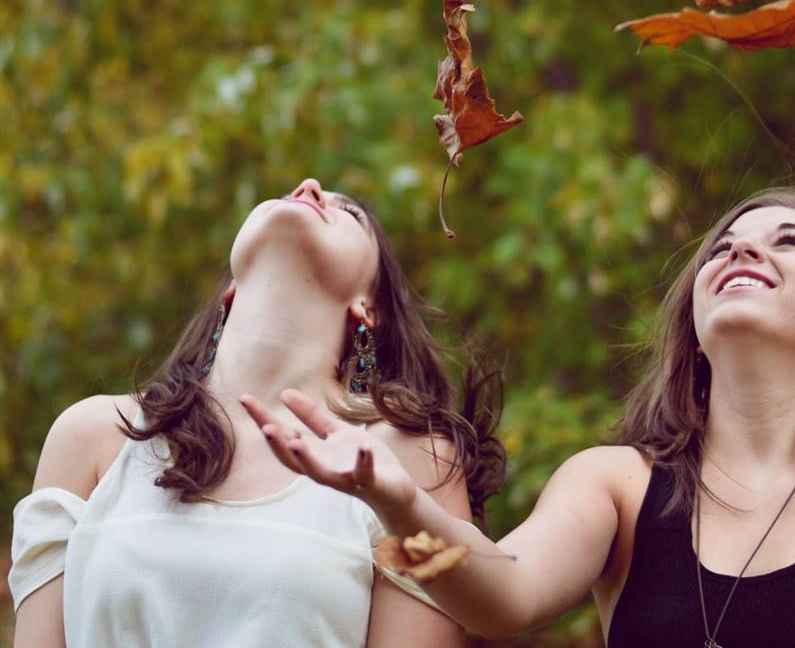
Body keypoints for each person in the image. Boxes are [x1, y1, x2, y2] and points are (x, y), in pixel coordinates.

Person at [245, 184, 795, 647]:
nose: (741, 254)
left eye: (790, 243)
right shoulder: (614, 483)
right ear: (696, 323)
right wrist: (397, 501)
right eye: (722, 248)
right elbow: (502, 599)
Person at [9, 177, 505, 648]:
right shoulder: (92, 438)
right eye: (292, 192)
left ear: (368, 306)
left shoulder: (409, 462)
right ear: (230, 289)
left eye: (349, 212)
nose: (308, 188)